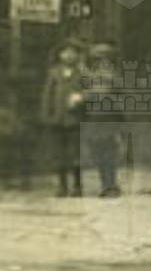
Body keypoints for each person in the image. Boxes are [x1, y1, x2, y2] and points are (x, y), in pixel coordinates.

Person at [39, 39, 84, 197]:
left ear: (77, 56)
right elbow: (47, 95)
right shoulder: (54, 73)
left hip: (75, 119)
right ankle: (62, 186)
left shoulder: (82, 73)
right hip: (58, 118)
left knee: (75, 153)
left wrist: (81, 97)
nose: (68, 55)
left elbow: (91, 92)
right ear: (60, 55)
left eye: (72, 52)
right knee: (59, 153)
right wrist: (46, 115)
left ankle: (77, 186)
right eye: (65, 52)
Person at [82, 39, 123, 197]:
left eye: (105, 58)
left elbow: (114, 93)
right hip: (93, 117)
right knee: (97, 150)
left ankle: (110, 185)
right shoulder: (87, 75)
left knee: (109, 151)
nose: (101, 62)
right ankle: (105, 184)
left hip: (109, 117)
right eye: (98, 59)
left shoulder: (113, 75)